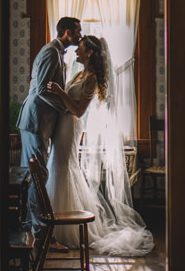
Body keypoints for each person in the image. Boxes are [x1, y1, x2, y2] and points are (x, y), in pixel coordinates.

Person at [45, 35, 155, 256]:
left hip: (71, 126)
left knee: (63, 168)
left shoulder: (92, 78)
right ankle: (56, 222)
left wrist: (59, 92)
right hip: (62, 125)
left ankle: (64, 230)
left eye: (81, 49)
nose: (76, 51)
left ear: (90, 53)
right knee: (59, 168)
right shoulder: (80, 73)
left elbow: (78, 111)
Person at [17, 16, 82, 254]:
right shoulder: (50, 52)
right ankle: (44, 236)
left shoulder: (57, 53)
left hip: (40, 122)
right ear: (66, 32)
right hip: (36, 120)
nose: (80, 35)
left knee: (33, 177)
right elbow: (41, 89)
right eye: (77, 32)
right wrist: (66, 107)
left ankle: (31, 232)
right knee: (37, 178)